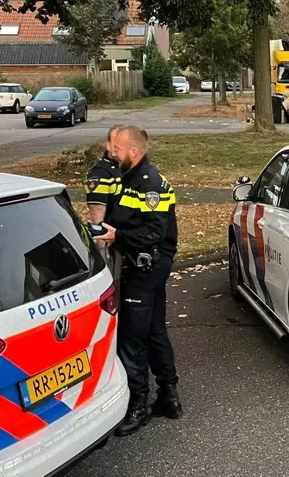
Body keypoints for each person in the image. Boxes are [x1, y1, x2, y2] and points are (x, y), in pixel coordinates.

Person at [94, 125, 181, 437]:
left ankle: (138, 405)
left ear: (132, 151)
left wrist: (118, 235)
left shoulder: (151, 184)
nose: (110, 152)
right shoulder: (124, 178)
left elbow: (154, 234)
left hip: (147, 266)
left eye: (115, 148)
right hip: (142, 265)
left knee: (132, 336)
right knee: (155, 329)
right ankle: (169, 397)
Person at [85, 125, 124, 281]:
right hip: (112, 248)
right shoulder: (101, 174)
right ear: (108, 145)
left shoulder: (123, 169)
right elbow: (97, 222)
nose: (117, 149)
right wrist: (103, 257)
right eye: (114, 144)